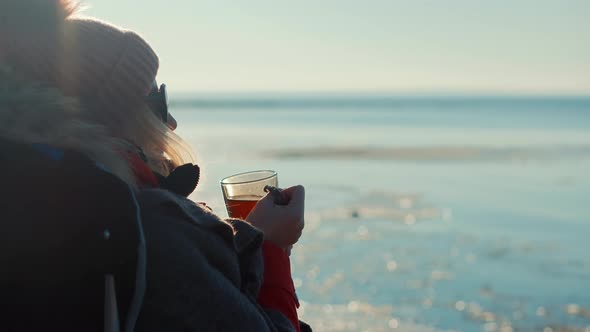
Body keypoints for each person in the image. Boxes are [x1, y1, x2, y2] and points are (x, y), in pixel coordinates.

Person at [0, 1, 308, 331]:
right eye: (159, 102)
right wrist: (272, 248)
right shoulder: (154, 232)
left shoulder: (55, 214)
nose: (171, 123)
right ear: (118, 118)